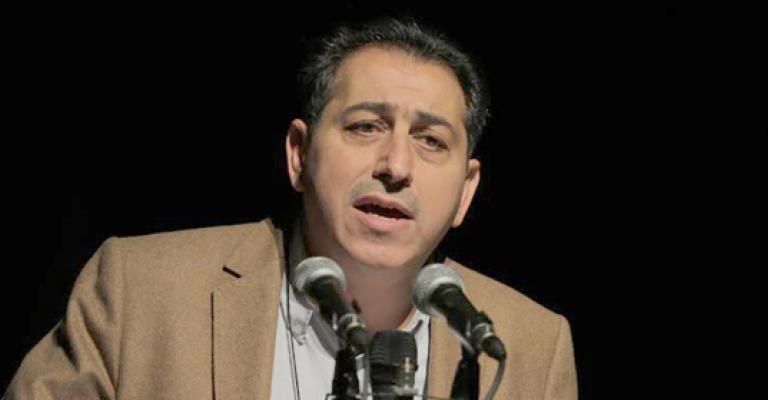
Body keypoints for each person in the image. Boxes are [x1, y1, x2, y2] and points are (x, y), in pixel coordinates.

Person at [4, 17, 577, 399]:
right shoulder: (141, 291)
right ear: (299, 154)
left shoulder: (531, 345)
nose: (396, 165)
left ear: (467, 190)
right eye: (366, 126)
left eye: (431, 140)